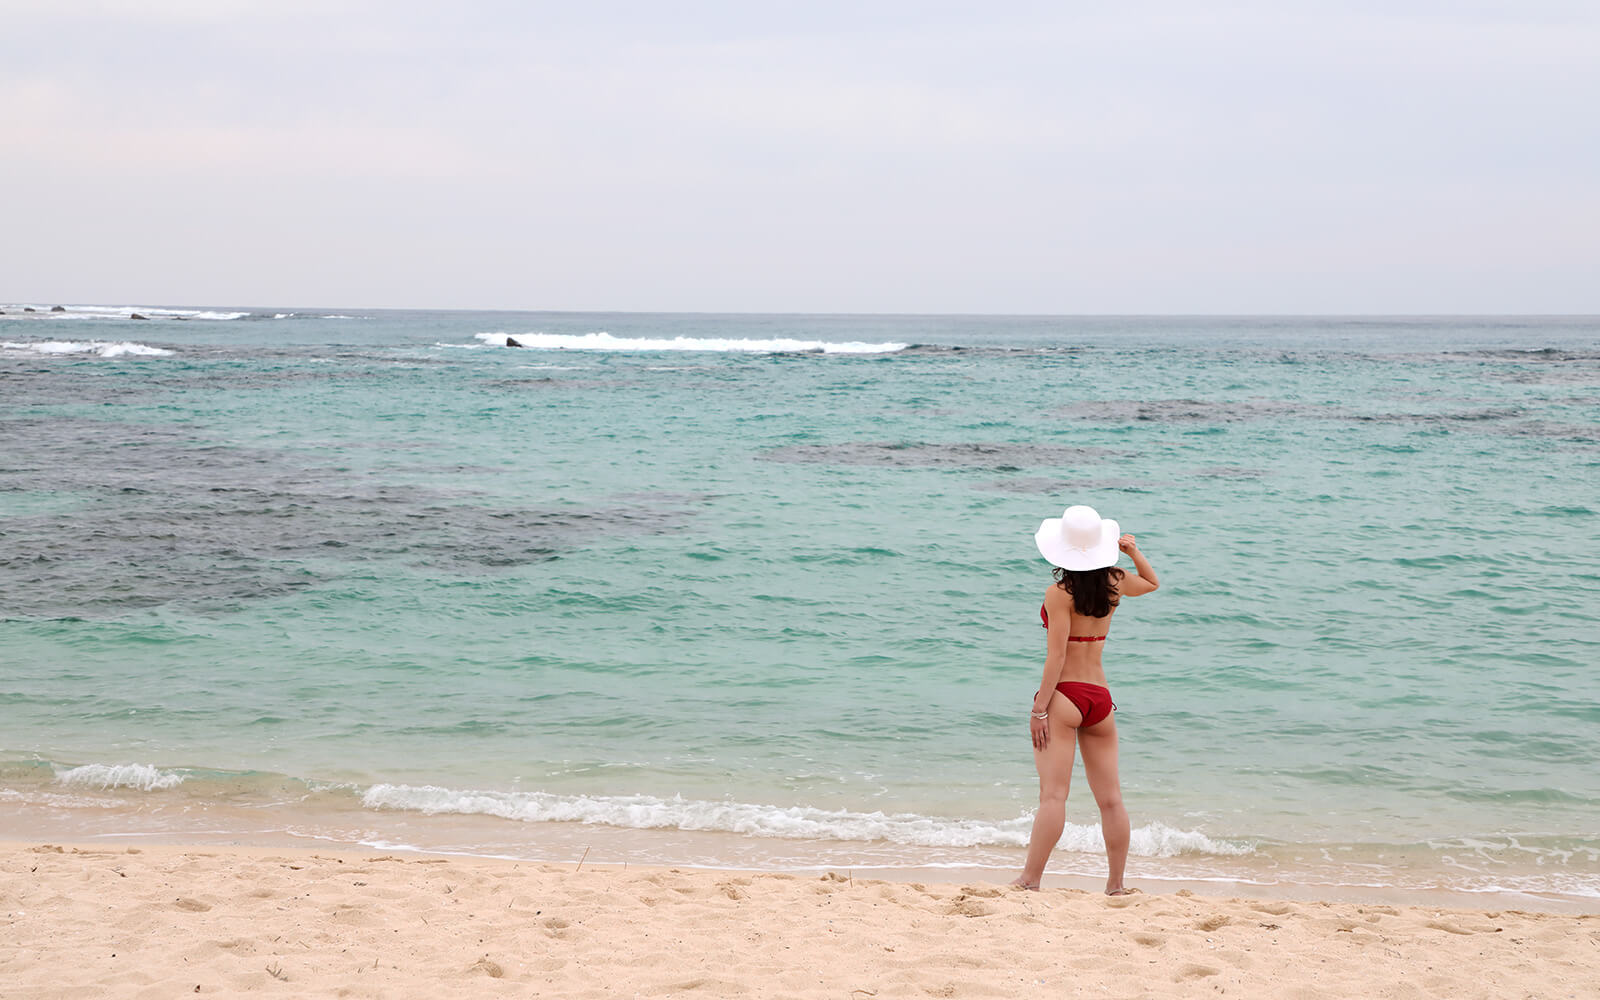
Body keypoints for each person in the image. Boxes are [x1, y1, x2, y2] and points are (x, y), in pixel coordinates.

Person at [1010, 504, 1159, 894]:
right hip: (1100, 698)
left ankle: (1030, 879)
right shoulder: (1117, 580)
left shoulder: (1059, 593)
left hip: (1066, 696)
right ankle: (1115, 885)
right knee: (1111, 800)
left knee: (1054, 796)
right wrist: (1132, 551)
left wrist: (1039, 709)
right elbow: (1152, 582)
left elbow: (1056, 657)